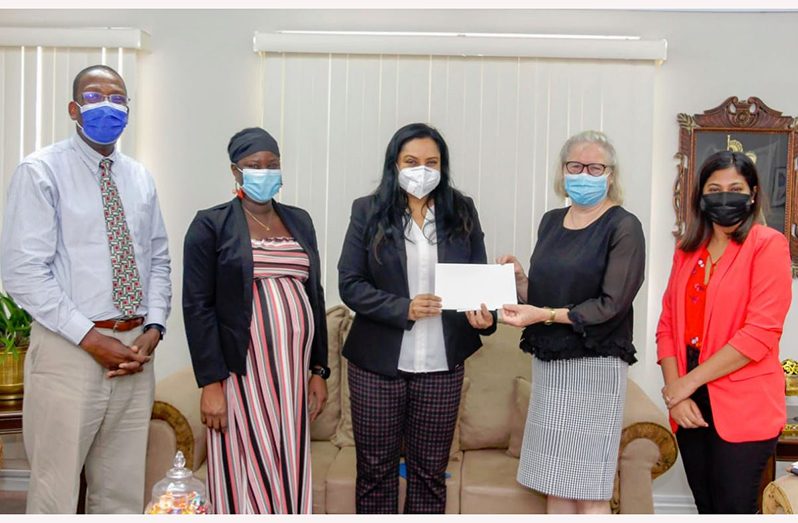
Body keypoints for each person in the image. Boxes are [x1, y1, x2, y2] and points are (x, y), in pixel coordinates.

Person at [0, 65, 171, 513]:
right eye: (95, 97)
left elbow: (158, 261)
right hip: (69, 351)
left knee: (120, 497)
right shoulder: (41, 172)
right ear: (74, 109)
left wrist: (153, 329)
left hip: (135, 354)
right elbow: (23, 273)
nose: (108, 106)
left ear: (128, 110)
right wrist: (94, 341)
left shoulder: (139, 178)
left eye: (118, 99)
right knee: (55, 495)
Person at [337, 122, 496, 514]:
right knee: (375, 471)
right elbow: (350, 283)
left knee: (430, 473)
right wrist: (402, 308)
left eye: (432, 161)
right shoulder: (368, 210)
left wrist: (485, 317)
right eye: (411, 161)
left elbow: (478, 280)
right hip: (376, 364)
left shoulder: (462, 209)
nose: (421, 169)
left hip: (442, 365)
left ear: (443, 166)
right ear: (395, 164)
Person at [182, 127, 329, 514]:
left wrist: (319, 369)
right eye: (254, 165)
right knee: (243, 470)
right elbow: (197, 308)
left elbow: (315, 296)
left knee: (289, 467)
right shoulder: (210, 225)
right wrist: (211, 383)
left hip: (292, 378)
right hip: (240, 376)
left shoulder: (299, 220)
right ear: (235, 172)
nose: (264, 171)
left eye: (272, 164)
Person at [499, 130, 645, 514]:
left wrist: (545, 315)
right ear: (562, 172)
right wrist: (519, 281)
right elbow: (545, 297)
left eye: (595, 166)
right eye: (575, 166)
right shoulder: (550, 221)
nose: (584, 173)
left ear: (610, 174)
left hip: (594, 366)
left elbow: (611, 304)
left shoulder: (623, 226)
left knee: (589, 488)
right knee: (555, 484)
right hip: (551, 366)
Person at [656, 150, 792, 514]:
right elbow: (667, 327)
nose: (724, 196)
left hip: (744, 401)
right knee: (707, 507)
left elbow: (758, 335)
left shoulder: (768, 245)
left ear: (752, 193)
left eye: (735, 188)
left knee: (734, 507)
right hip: (688, 401)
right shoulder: (687, 252)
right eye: (714, 188)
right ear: (701, 196)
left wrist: (687, 383)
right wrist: (677, 394)